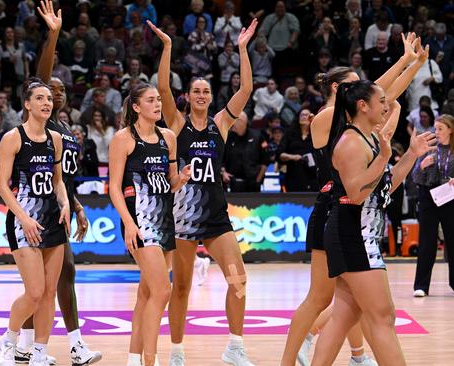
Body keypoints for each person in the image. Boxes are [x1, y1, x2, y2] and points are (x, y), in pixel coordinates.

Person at [281, 33, 429, 366]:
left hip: (352, 210)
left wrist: (411, 62)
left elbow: (383, 95)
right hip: (337, 209)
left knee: (345, 305)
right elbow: (378, 92)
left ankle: (355, 354)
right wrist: (405, 63)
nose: (363, 87)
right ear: (340, 91)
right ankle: (292, 356)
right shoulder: (327, 119)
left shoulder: (358, 123)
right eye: (354, 85)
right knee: (321, 298)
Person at [149, 19, 257, 366]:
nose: (201, 95)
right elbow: (163, 90)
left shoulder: (221, 124)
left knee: (238, 279)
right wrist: (167, 48)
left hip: (216, 215)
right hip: (181, 217)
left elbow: (246, 90)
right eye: (196, 91)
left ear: (210, 98)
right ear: (189, 97)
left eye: (206, 92)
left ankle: (235, 347)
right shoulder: (177, 124)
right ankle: (177, 352)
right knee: (179, 288)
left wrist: (242, 49)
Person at [311, 80, 435, 366]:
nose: (387, 106)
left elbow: (384, 187)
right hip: (353, 234)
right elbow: (356, 194)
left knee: (343, 317)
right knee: (383, 316)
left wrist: (411, 156)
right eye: (381, 101)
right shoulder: (351, 142)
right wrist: (383, 157)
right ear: (362, 106)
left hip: (356, 233)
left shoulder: (367, 138)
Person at [13, 2, 103, 365]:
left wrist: (77, 207)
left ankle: (26, 345)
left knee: (52, 282)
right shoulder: (39, 123)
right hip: (35, 209)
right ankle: (65, 345)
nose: (56, 93)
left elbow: (61, 176)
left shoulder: (64, 131)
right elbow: (42, 74)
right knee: (56, 278)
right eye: (48, 90)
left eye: (60, 91)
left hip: (60, 206)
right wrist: (53, 34)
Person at [109, 83, 191, 366]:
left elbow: (170, 184)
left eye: (159, 100)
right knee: (162, 291)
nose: (157, 104)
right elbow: (114, 189)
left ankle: (133, 358)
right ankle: (150, 360)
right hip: (140, 221)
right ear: (135, 107)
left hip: (164, 219)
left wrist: (182, 178)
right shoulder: (124, 138)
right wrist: (128, 224)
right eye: (151, 100)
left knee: (146, 294)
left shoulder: (168, 137)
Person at [0, 78, 70, 366]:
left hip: (52, 219)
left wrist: (64, 204)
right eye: (40, 98)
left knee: (50, 292)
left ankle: (39, 352)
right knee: (35, 292)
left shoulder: (56, 139)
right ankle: (8, 340)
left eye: (49, 99)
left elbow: (58, 181)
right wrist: (23, 218)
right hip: (23, 221)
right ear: (27, 104)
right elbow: (2, 185)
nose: (46, 103)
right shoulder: (13, 137)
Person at [412, 114, 454, 297]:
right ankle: (421, 286)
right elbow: (414, 177)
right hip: (429, 197)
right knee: (427, 242)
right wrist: (421, 166)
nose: (436, 132)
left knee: (452, 242)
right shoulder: (428, 149)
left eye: (440, 129)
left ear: (451, 130)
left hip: (450, 198)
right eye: (435, 129)